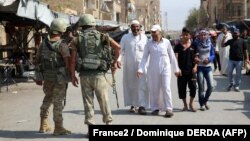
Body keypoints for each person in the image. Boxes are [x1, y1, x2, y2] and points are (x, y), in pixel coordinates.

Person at [69, 14, 121, 135]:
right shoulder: (102, 36)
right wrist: (114, 62)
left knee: (88, 102)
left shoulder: (77, 39)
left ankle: (90, 128)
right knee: (103, 100)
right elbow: (118, 47)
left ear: (82, 25)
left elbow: (72, 60)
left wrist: (72, 76)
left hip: (84, 75)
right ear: (93, 24)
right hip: (99, 74)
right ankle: (108, 124)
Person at [35, 18, 71, 135]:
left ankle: (43, 124)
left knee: (47, 98)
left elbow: (37, 60)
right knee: (58, 103)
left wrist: (39, 76)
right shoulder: (62, 44)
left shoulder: (43, 43)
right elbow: (67, 62)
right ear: (62, 30)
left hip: (47, 77)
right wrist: (70, 75)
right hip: (59, 78)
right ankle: (58, 127)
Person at [137, 24, 180, 118]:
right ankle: (155, 108)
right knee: (154, 89)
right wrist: (140, 69)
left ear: (159, 32)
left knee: (166, 88)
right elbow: (144, 57)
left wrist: (176, 69)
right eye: (152, 32)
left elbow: (172, 56)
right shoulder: (149, 43)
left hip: (165, 68)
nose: (153, 34)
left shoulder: (167, 42)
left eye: (154, 32)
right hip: (153, 68)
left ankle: (169, 109)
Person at [119, 20, 149, 114]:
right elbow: (121, 51)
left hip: (142, 66)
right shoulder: (125, 37)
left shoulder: (144, 38)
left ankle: (141, 106)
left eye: (137, 27)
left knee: (142, 85)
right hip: (129, 66)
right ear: (131, 28)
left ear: (140, 27)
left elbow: (148, 52)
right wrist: (119, 60)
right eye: (133, 27)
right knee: (131, 85)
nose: (135, 29)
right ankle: (133, 104)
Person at [174, 27, 197, 112]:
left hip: (191, 71)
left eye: (186, 34)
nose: (184, 36)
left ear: (189, 35)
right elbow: (176, 58)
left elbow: (196, 58)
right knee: (182, 89)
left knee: (193, 87)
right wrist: (177, 69)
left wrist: (195, 67)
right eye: (183, 34)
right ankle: (185, 105)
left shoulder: (194, 45)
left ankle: (191, 104)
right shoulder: (177, 46)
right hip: (181, 72)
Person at [193, 29, 215, 111]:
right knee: (201, 87)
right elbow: (193, 53)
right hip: (200, 68)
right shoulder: (195, 43)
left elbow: (213, 54)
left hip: (208, 67)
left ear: (207, 35)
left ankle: (205, 100)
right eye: (201, 35)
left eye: (204, 35)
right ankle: (201, 104)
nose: (203, 36)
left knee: (211, 86)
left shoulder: (210, 43)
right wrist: (195, 58)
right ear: (199, 35)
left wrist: (209, 59)